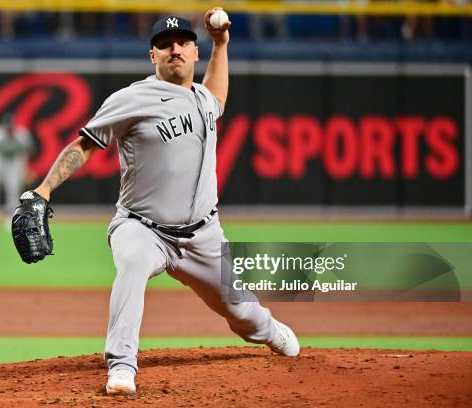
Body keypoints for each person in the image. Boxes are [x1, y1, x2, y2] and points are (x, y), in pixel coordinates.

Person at [31, 8, 300, 395]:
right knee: (133, 266)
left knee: (242, 311)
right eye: (164, 45)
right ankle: (122, 366)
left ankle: (267, 329)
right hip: (142, 227)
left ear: (194, 52)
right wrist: (44, 189)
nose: (174, 49)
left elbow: (218, 97)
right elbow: (84, 145)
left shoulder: (203, 98)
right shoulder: (131, 99)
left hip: (202, 235)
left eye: (182, 43)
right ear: (152, 56)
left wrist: (221, 44)